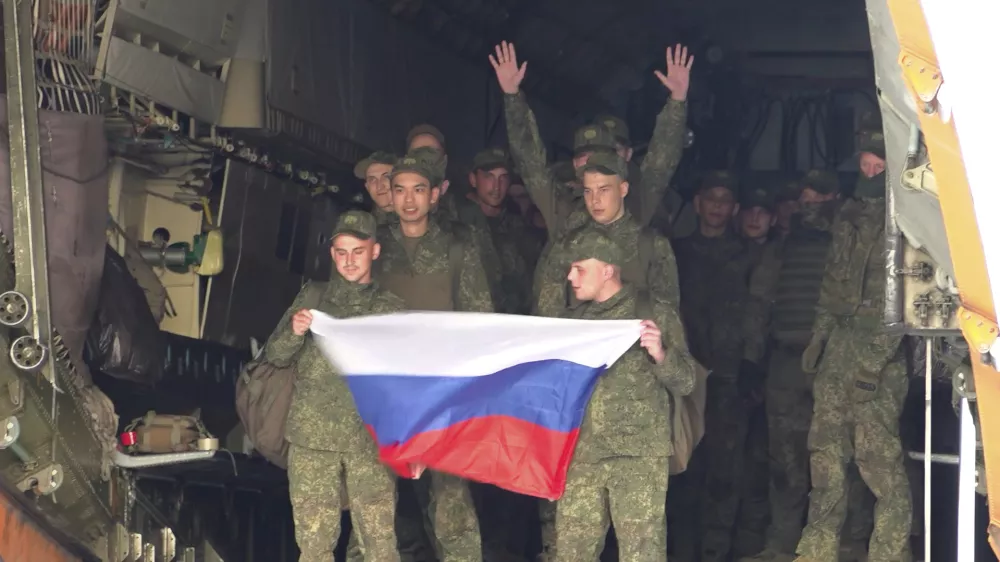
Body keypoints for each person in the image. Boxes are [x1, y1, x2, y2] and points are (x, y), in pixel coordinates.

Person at [489, 40, 691, 313]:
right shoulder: (560, 206)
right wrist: (513, 97)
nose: (588, 163)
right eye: (582, 157)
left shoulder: (635, 202)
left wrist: (676, 103)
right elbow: (530, 161)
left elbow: (661, 162)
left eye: (597, 156)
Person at [793, 125, 911, 562]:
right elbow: (833, 282)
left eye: (878, 163)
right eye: (865, 161)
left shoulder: (909, 220)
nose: (869, 169)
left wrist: (874, 364)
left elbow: (908, 300)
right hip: (839, 346)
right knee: (824, 458)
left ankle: (889, 554)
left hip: (877, 354)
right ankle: (816, 552)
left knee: (879, 467)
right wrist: (819, 338)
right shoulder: (847, 215)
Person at [543, 227, 696, 561]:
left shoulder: (656, 313)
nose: (570, 276)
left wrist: (660, 354)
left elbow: (687, 382)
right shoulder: (575, 322)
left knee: (642, 553)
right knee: (571, 552)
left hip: (638, 456)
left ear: (608, 270)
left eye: (579, 268)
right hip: (584, 455)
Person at [265, 210, 403, 562]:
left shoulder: (391, 309)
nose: (349, 260)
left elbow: (404, 375)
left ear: (375, 251)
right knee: (313, 544)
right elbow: (276, 356)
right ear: (331, 254)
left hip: (367, 439)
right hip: (313, 437)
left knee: (379, 543)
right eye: (341, 252)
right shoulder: (312, 297)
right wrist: (294, 332)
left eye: (358, 251)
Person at [377, 152, 493, 562]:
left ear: (435, 196)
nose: (409, 200)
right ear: (388, 195)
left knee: (451, 508)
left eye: (419, 190)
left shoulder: (457, 248)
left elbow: (480, 322)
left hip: (443, 396)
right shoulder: (371, 247)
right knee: (373, 508)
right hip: (385, 395)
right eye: (401, 190)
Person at [671, 170, 753, 562]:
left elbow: (758, 313)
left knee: (725, 469)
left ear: (733, 208)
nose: (718, 206)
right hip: (683, 378)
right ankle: (681, 550)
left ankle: (715, 552)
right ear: (699, 204)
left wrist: (752, 364)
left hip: (729, 377)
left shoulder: (748, 255)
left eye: (725, 199)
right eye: (711, 198)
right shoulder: (676, 253)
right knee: (683, 466)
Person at [355, 151, 398, 224]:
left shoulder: (420, 219)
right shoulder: (363, 227)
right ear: (367, 187)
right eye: (372, 179)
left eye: (386, 176)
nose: (379, 186)